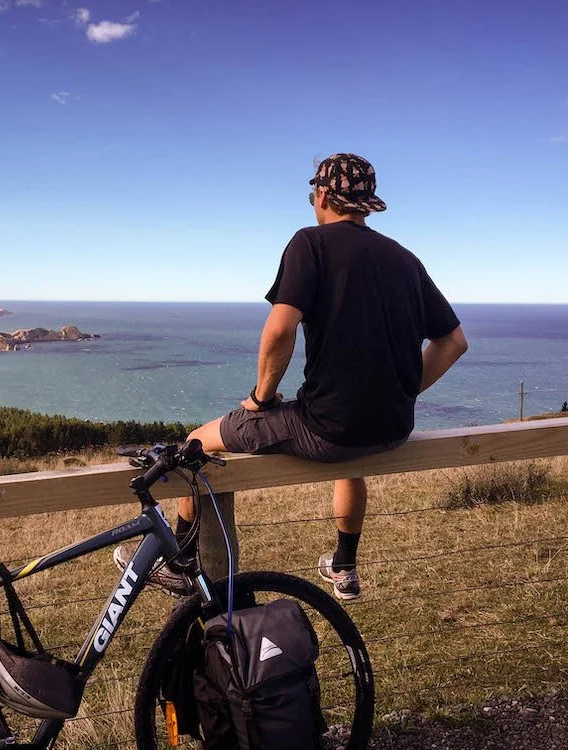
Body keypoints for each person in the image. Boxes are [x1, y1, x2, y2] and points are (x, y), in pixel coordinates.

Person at [116, 153, 467, 599]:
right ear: (366, 205)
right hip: (391, 428)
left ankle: (183, 564)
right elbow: (454, 342)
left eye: (312, 196)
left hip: (327, 430)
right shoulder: (404, 259)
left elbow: (280, 329)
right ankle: (344, 566)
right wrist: (402, 391)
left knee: (195, 442)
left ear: (322, 195)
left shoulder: (310, 243)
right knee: (348, 459)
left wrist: (261, 399)